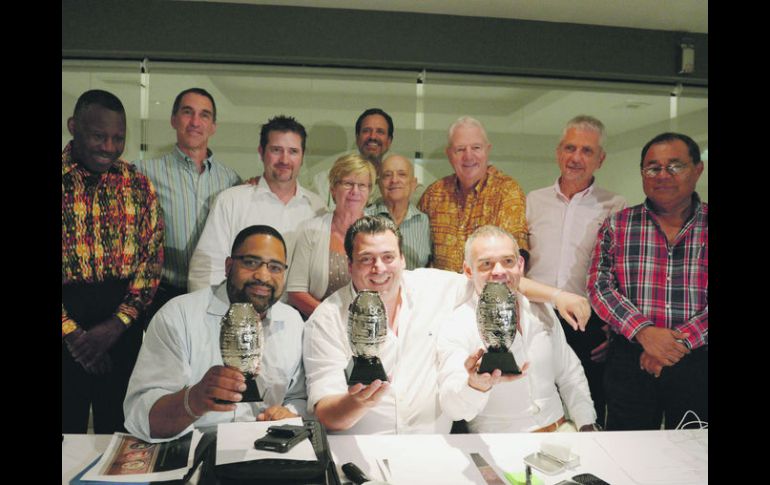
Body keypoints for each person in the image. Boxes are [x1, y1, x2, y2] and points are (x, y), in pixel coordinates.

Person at [303, 215, 593, 435]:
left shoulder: (434, 287)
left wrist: (557, 296)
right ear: (350, 264)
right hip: (363, 451)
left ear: (402, 259)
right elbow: (326, 413)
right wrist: (360, 402)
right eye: (366, 259)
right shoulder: (326, 320)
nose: (379, 268)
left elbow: (497, 279)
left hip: (433, 452)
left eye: (388, 257)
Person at [124, 225, 307, 442]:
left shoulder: (293, 322)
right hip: (193, 450)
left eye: (275, 267)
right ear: (229, 266)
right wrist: (194, 400)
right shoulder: (179, 316)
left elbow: (299, 397)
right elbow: (141, 417)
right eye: (250, 262)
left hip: (267, 450)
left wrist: (289, 415)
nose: (263, 276)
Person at [587, 132, 707, 430]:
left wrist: (675, 343)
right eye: (653, 168)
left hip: (699, 361)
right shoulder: (619, 224)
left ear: (698, 169)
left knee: (694, 459)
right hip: (630, 358)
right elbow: (599, 287)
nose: (663, 175)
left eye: (675, 166)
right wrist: (644, 333)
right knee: (627, 456)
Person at [62, 89, 164, 433]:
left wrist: (119, 323)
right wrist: (72, 335)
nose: (109, 146)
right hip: (65, 321)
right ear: (73, 127)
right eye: (98, 136)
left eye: (118, 138)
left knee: (121, 429)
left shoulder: (137, 185)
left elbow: (151, 262)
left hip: (122, 323)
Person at [437, 226, 599, 433]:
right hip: (501, 447)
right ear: (469, 271)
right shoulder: (457, 324)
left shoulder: (542, 309)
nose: (499, 271)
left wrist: (586, 423)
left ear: (520, 265)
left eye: (508, 261)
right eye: (486, 264)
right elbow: (452, 407)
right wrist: (474, 385)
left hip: (562, 434)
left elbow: (569, 374)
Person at [526, 115, 625, 426]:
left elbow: (620, 274)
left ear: (600, 159)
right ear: (558, 152)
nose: (576, 158)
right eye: (570, 148)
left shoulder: (614, 205)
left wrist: (613, 329)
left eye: (586, 151)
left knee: (587, 405)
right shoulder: (533, 200)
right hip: (536, 315)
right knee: (535, 404)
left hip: (587, 323)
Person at [133, 88, 241, 320]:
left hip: (213, 293)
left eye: (204, 115)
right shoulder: (144, 172)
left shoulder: (232, 180)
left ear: (213, 126)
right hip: (161, 292)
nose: (195, 122)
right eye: (187, 112)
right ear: (174, 120)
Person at [188, 115, 326, 292]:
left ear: (302, 156)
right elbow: (205, 268)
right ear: (261, 152)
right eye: (276, 150)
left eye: (293, 151)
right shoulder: (231, 201)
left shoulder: (318, 208)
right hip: (239, 312)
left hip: (300, 315)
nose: (284, 160)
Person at [418, 116, 529, 273]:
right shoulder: (434, 194)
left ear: (487, 150)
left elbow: (512, 264)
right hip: (443, 295)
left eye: (476, 148)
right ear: (449, 154)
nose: (468, 156)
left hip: (489, 293)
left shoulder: (507, 192)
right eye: (460, 149)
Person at [287, 154, 376, 319]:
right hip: (318, 326)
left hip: (368, 328)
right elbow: (295, 292)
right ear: (333, 188)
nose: (354, 191)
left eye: (362, 185)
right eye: (348, 183)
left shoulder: (380, 234)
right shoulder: (310, 230)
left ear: (369, 191)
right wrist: (335, 320)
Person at [365, 153, 432, 269]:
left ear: (413, 184)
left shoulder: (425, 222)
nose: (394, 180)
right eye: (387, 175)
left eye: (402, 174)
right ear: (379, 184)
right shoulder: (364, 218)